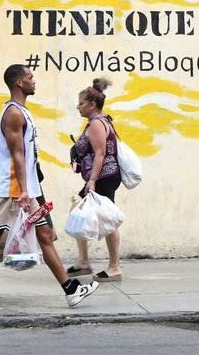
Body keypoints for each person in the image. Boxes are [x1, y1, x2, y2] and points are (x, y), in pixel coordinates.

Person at [0, 64, 99, 313]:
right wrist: (24, 191)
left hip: (26, 186)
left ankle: (71, 290)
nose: (34, 80)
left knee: (45, 234)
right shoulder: (13, 114)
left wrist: (31, 188)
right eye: (30, 77)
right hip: (15, 188)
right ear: (19, 83)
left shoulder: (22, 111)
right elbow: (17, 154)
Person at [66, 78, 124, 282]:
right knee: (79, 210)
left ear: (92, 104)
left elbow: (100, 154)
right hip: (102, 176)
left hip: (103, 177)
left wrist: (92, 181)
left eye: (81, 103)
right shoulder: (97, 121)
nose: (78, 106)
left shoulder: (98, 123)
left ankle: (114, 267)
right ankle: (83, 261)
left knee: (108, 219)